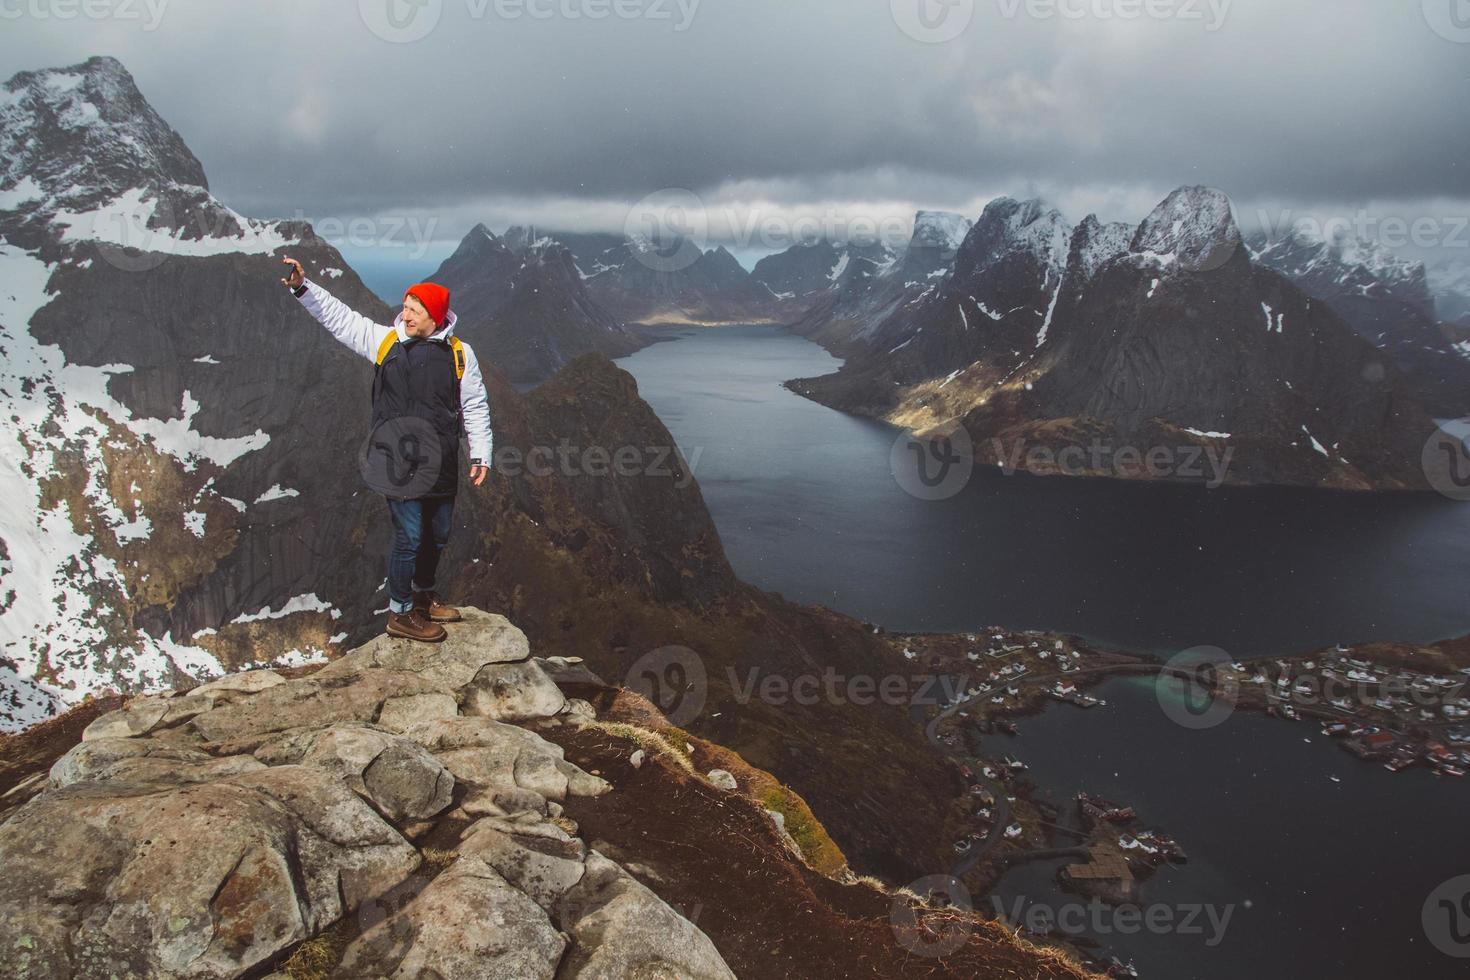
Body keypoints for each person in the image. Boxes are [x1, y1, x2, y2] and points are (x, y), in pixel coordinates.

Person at [280, 256, 492, 643]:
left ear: (436, 317)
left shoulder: (461, 354)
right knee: (410, 535)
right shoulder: (386, 341)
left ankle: (424, 596)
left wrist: (481, 454)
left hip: (440, 461)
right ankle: (400, 613)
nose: (405, 314)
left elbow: (474, 404)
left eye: (415, 309)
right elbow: (340, 318)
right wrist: (302, 288)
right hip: (396, 462)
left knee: (438, 533)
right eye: (406, 306)